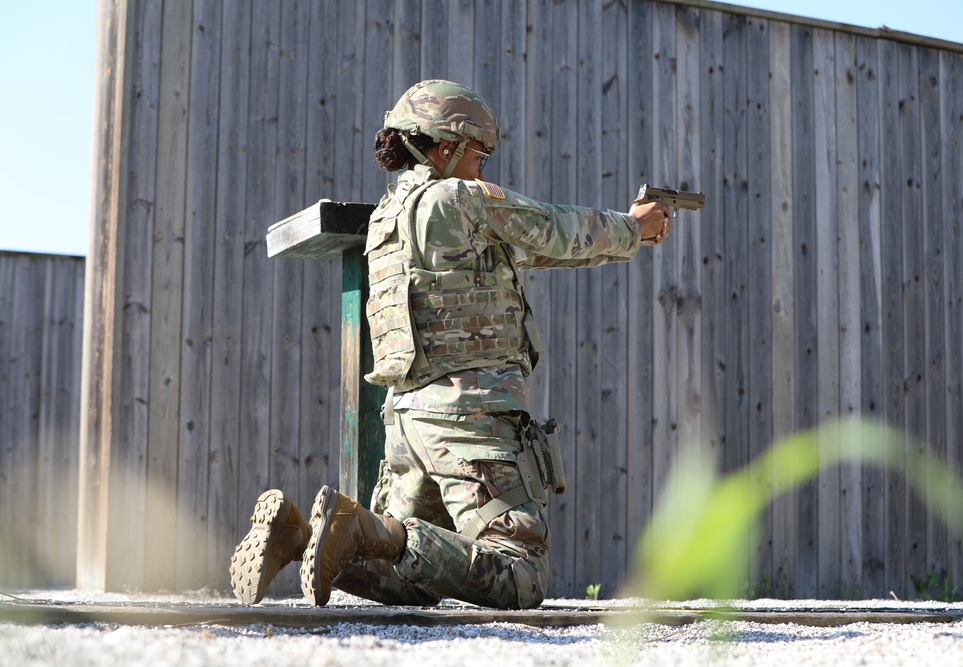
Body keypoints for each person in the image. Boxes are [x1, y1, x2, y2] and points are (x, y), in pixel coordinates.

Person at [229, 79, 672, 610]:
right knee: (519, 574)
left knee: (408, 580)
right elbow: (552, 228)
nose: (484, 163)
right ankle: (359, 531)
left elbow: (533, 251)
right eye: (479, 151)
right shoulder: (462, 199)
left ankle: (300, 537)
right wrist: (631, 227)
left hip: (409, 423)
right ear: (446, 147)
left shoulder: (387, 219)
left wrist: (628, 238)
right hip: (470, 418)